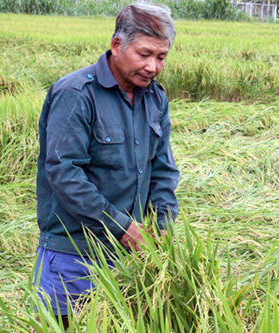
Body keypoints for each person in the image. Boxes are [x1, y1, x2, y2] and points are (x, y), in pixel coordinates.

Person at [33, 4, 179, 329]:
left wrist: (163, 229)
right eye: (144, 54)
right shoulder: (76, 94)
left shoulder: (155, 99)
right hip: (74, 254)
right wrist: (122, 227)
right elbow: (64, 173)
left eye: (162, 57)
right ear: (117, 45)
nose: (153, 66)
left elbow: (162, 169)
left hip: (132, 256)